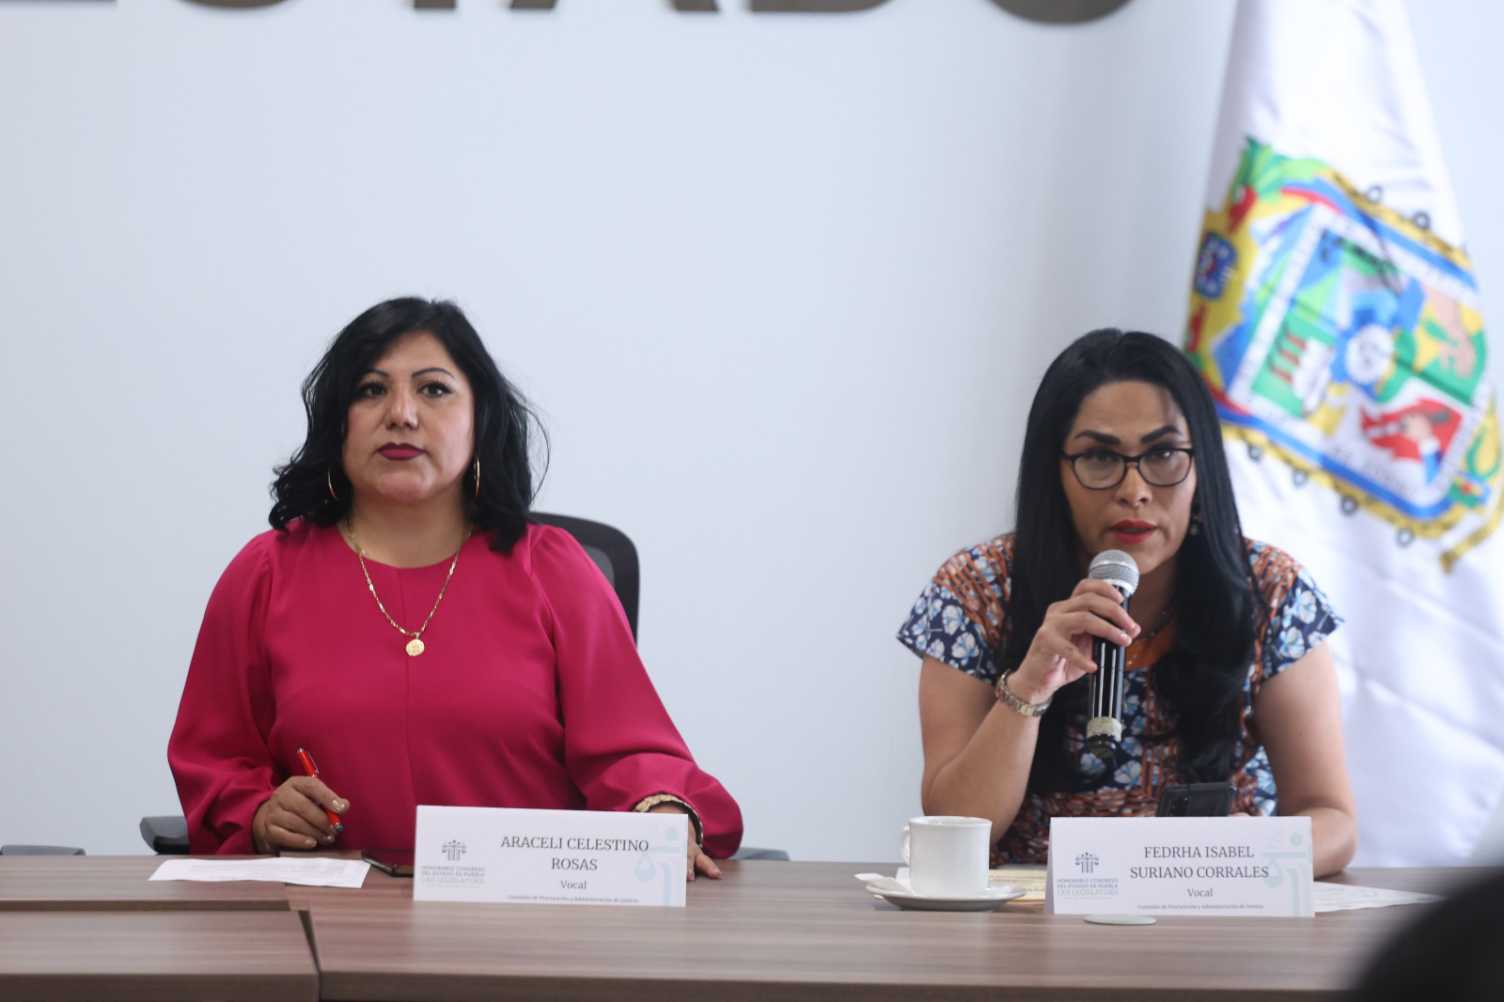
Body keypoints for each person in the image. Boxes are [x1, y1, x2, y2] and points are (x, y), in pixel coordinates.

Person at [169, 297, 741, 878]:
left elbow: (634, 752)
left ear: (480, 418)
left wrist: (661, 811)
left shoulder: (554, 570)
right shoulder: (265, 574)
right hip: (329, 910)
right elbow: (215, 762)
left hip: (529, 912)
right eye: (370, 390)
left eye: (434, 389)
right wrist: (261, 814)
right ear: (337, 422)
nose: (401, 414)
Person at [898, 329, 1356, 877]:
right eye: (1100, 456)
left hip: (1211, 907)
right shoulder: (977, 589)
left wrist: (1241, 851)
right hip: (1029, 916)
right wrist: (1028, 688)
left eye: (1163, 454)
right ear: (1055, 472)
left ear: (1202, 466)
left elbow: (1332, 819)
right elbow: (955, 824)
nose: (1134, 489)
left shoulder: (1270, 591)